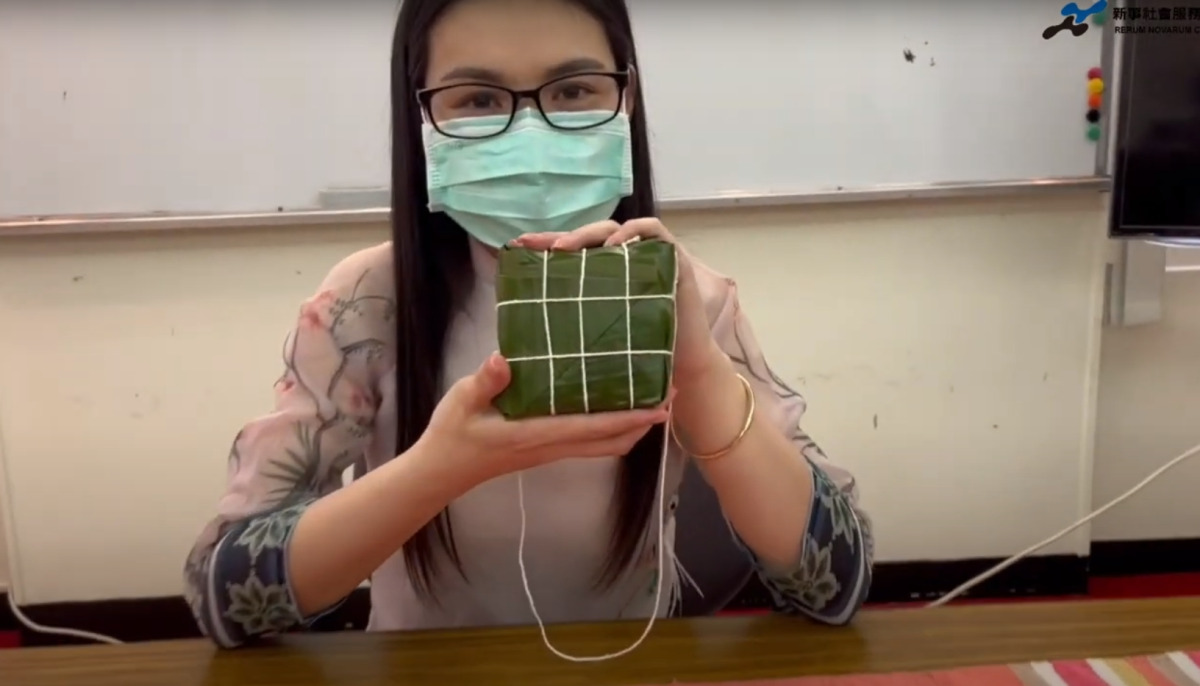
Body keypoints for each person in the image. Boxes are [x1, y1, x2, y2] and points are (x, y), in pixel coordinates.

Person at [183, 0, 873, 650]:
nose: (530, 129)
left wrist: (697, 370)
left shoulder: (692, 299)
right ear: (422, 116)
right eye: (479, 100)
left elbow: (835, 586)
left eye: (573, 90)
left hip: (631, 667)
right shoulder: (369, 303)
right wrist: (439, 468)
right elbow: (222, 593)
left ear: (626, 99)